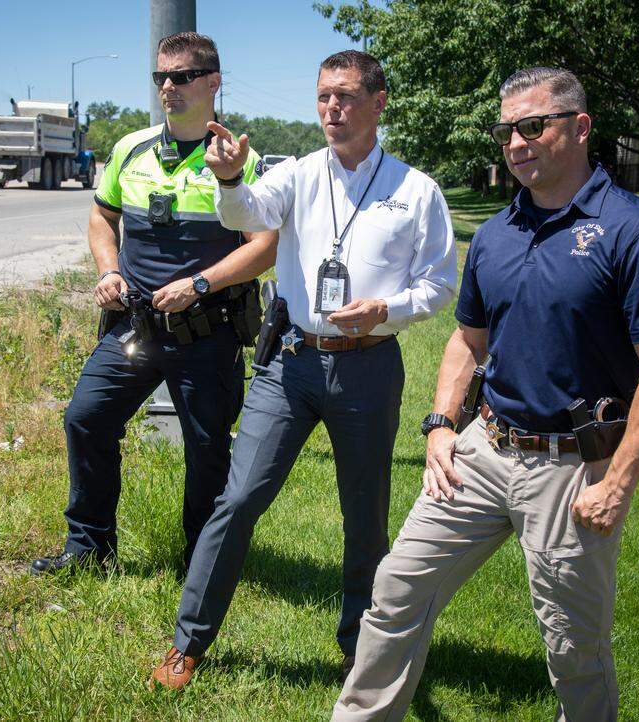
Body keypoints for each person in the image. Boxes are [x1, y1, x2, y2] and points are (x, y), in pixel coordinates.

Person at [333, 67, 639, 721]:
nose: (516, 143)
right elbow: (467, 340)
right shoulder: (498, 233)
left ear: (580, 128)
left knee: (573, 647)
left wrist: (616, 484)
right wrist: (442, 423)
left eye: (533, 126)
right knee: (395, 590)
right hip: (483, 450)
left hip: (573, 468)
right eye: (506, 131)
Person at [149, 50, 458, 689]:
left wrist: (387, 309)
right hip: (290, 364)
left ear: (378, 103)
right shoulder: (297, 173)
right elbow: (246, 216)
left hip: (368, 367)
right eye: (322, 96)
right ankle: (188, 641)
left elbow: (439, 285)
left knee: (365, 513)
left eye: (345, 96)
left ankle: (358, 647)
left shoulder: (416, 191)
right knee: (238, 498)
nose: (331, 108)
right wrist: (229, 180)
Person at [30, 32, 278, 575]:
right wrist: (109, 270)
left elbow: (264, 246)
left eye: (182, 76)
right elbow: (102, 217)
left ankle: (202, 564)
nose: (168, 86)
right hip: (134, 328)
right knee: (86, 419)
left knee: (207, 449)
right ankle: (89, 550)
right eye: (160, 76)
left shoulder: (240, 161)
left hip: (207, 331)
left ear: (213, 82)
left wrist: (201, 284)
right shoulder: (131, 149)